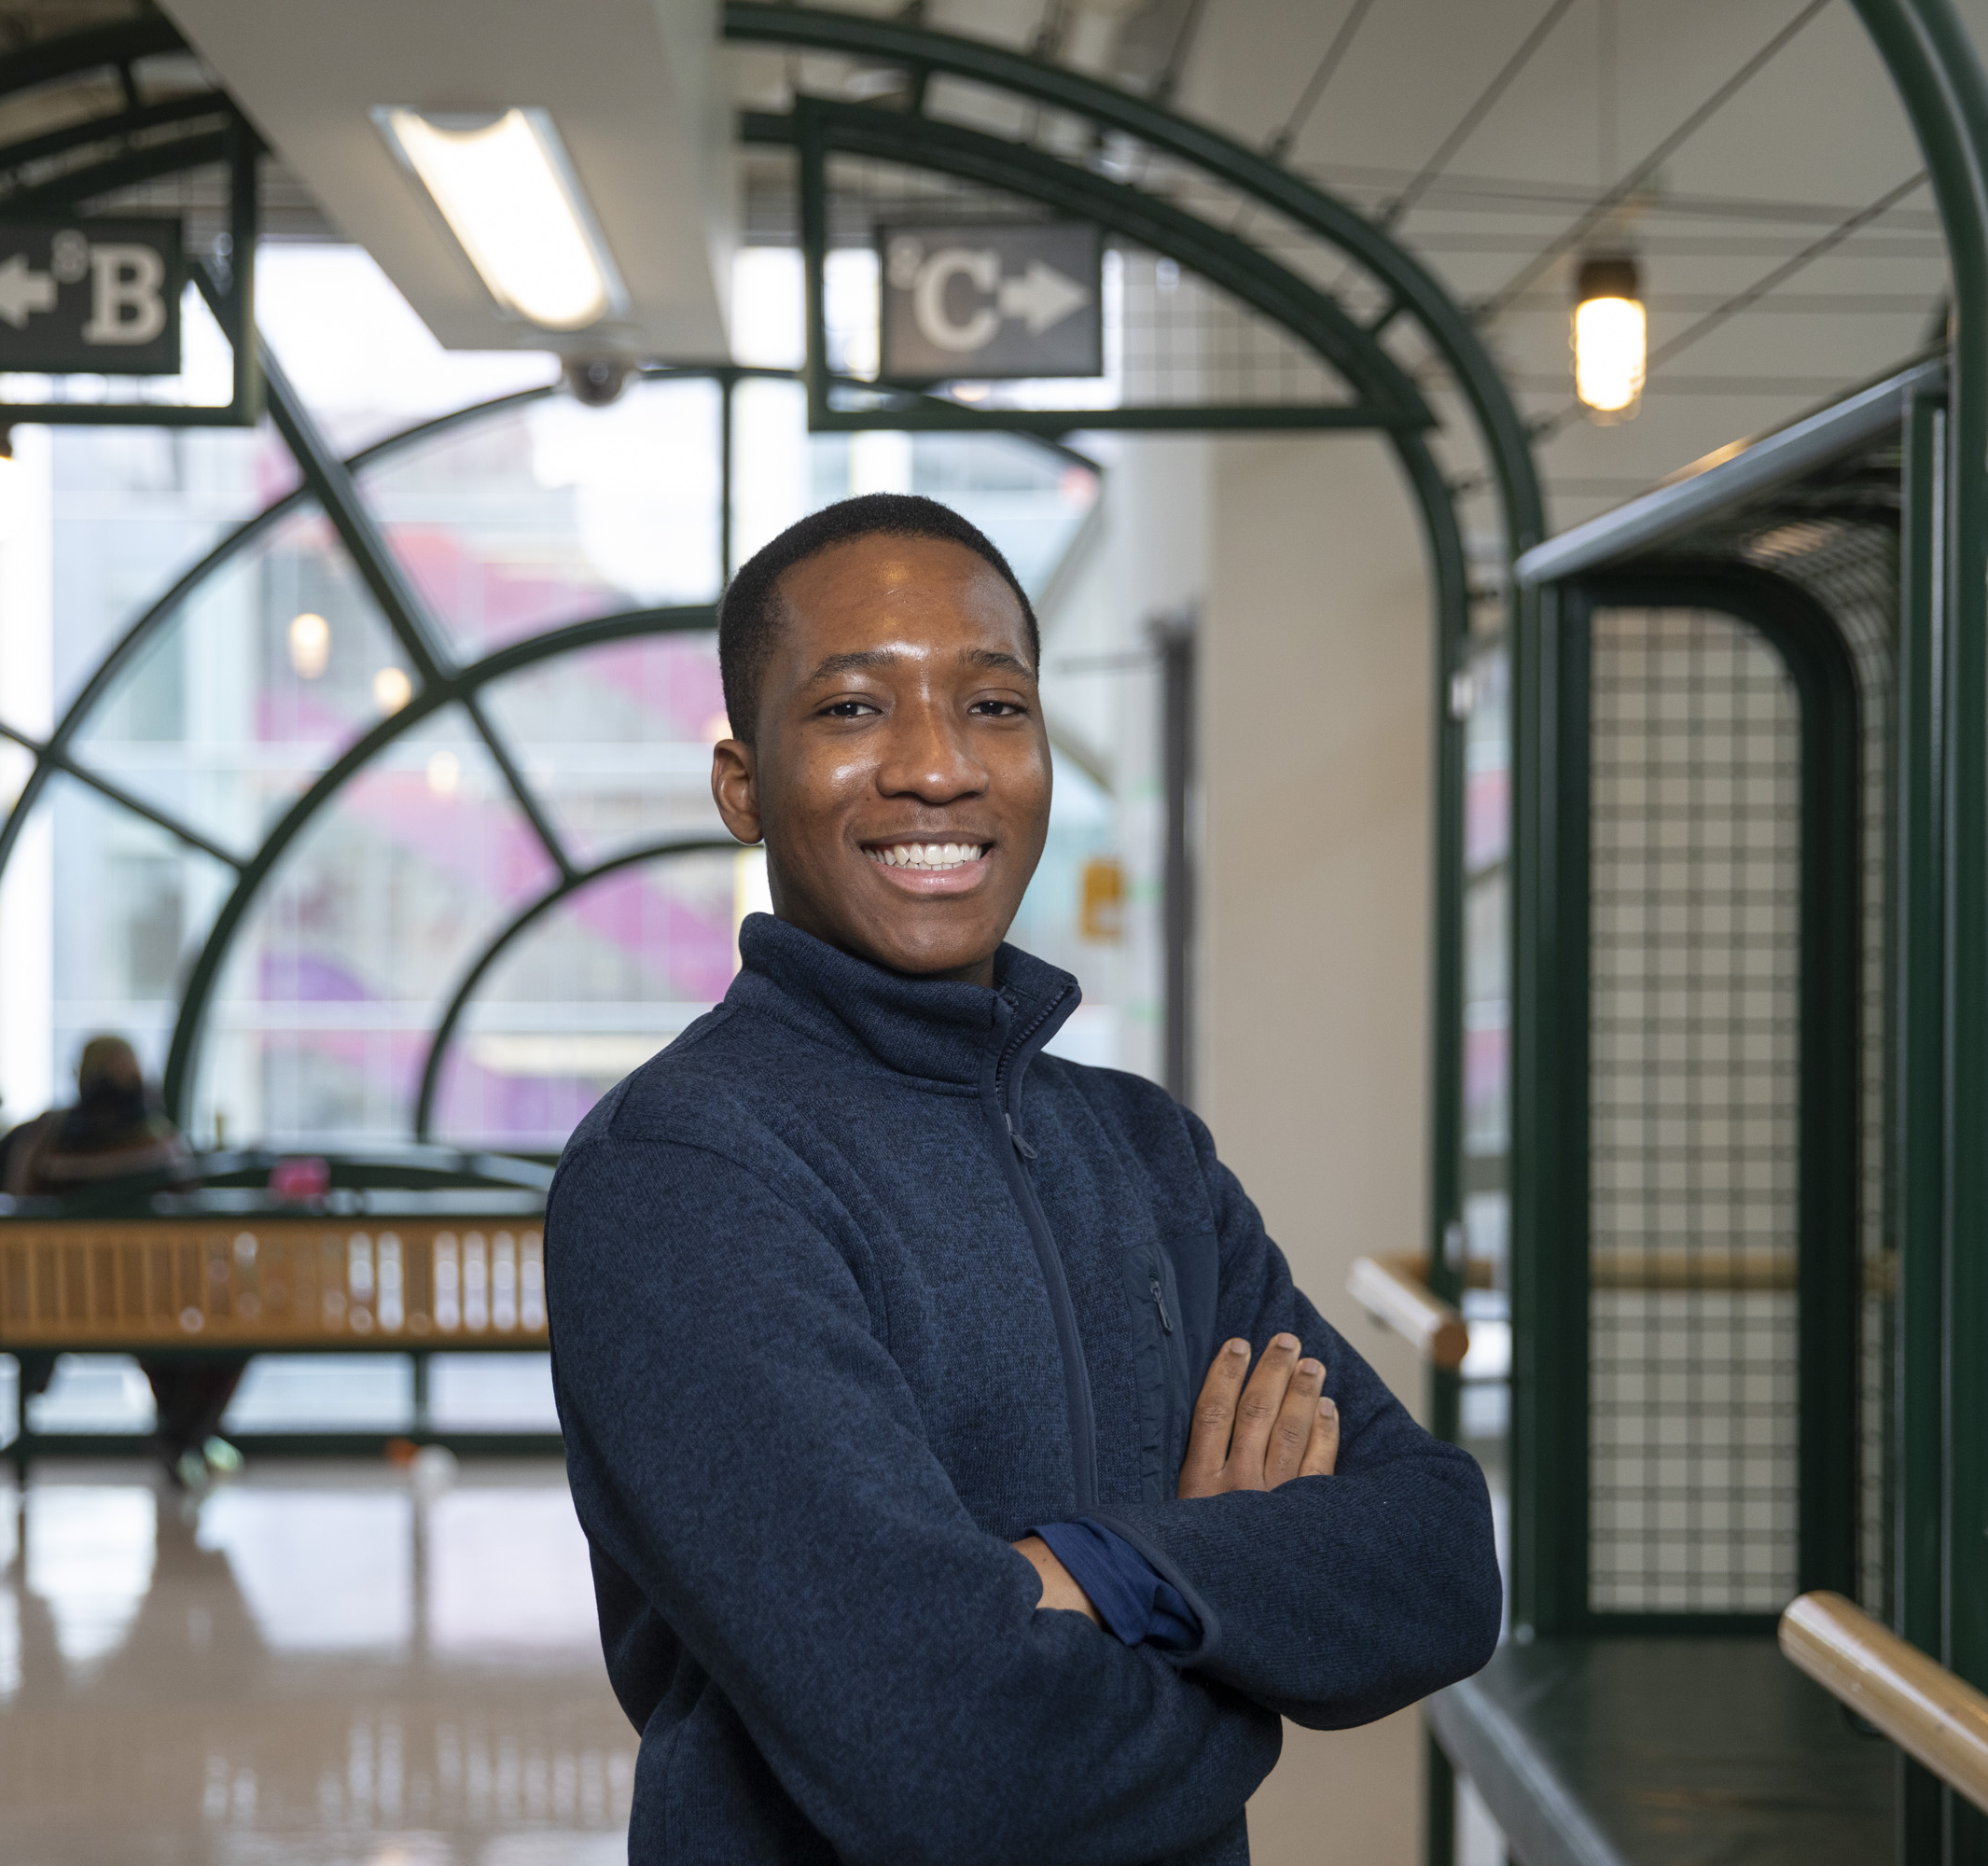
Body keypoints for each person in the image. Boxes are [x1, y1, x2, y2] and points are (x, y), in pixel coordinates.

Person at [545, 494, 1499, 1863]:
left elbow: (1441, 1559)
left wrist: (1104, 1570)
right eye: (853, 709)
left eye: (995, 706)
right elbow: (943, 1752)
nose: (940, 767)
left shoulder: (1145, 1153)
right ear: (742, 784)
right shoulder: (686, 1175)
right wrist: (1241, 1646)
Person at [0, 1035, 239, 1489]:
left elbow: (7, 1186)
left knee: (157, 1312)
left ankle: (179, 1437)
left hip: (50, 1308)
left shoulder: (42, 1139)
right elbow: (194, 1224)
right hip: (151, 1308)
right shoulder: (159, 1144)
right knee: (220, 1322)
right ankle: (181, 1436)